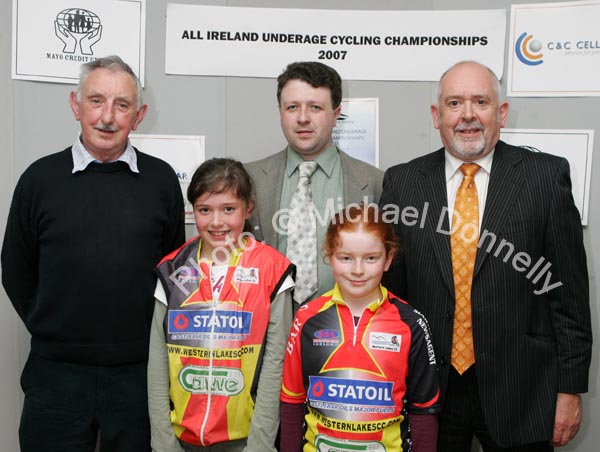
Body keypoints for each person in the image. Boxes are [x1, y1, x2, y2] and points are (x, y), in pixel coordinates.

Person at [380, 61, 592, 451]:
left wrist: (570, 389)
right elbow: (392, 298)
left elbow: (569, 296)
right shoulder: (402, 182)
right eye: (454, 103)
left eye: (480, 101)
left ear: (502, 113)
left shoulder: (545, 178)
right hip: (429, 390)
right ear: (436, 115)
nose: (467, 115)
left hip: (522, 389)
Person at [1, 55, 185, 451]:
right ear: (75, 105)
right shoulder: (39, 179)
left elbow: (174, 276)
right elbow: (15, 269)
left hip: (140, 375)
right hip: (56, 375)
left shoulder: (162, 181)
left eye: (122, 105)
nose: (107, 117)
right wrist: (52, 325)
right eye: (96, 100)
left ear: (138, 116)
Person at [148, 158, 295, 452]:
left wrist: (261, 443)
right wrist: (163, 442)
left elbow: (275, 365)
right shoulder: (172, 269)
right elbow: (157, 364)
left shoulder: (272, 269)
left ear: (248, 208)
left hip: (246, 441)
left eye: (229, 209)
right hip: (180, 441)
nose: (217, 222)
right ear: (192, 211)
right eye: (205, 210)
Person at [280, 204, 440, 452]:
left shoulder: (411, 324)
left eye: (371, 258)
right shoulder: (306, 318)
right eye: (346, 258)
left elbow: (423, 413)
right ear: (329, 255)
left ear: (388, 259)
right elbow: (292, 403)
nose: (357, 270)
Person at [245, 61, 383, 307]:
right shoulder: (249, 179)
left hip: (346, 332)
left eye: (315, 107)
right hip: (267, 331)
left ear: (336, 114)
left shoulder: (374, 183)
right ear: (280, 111)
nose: (302, 118)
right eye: (292, 107)